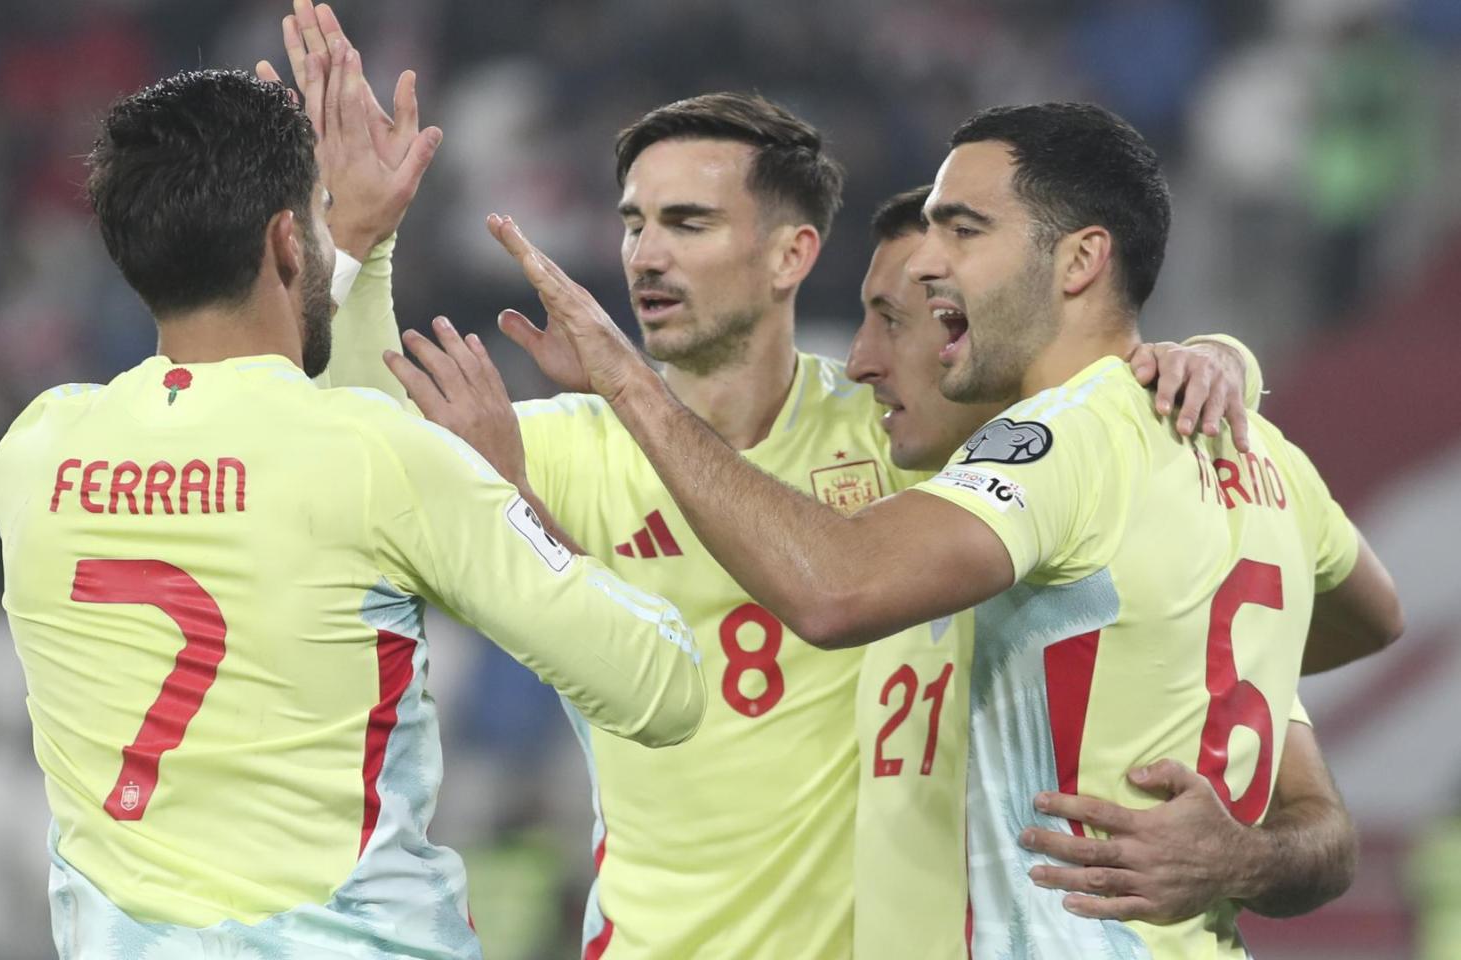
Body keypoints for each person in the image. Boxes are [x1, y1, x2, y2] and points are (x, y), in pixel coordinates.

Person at [463, 101, 1403, 957]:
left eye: (957, 245)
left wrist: (629, 383)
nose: (867, 358)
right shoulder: (1250, 464)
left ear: (1078, 260)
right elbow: (1368, 639)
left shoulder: (1050, 459)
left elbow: (833, 589)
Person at [0, 46, 704, 960]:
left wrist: (353, 248)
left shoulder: (36, 452)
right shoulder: (381, 462)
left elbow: (259, 436)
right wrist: (510, 493)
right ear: (289, 241)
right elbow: (660, 687)